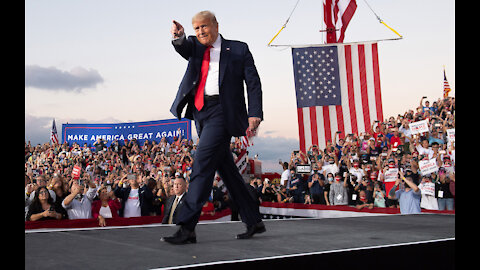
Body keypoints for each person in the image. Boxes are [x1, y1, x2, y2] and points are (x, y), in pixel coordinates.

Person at [162, 10, 264, 244]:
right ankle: (254, 219)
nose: (200, 32)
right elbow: (183, 48)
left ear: (215, 25)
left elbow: (253, 82)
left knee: (202, 162)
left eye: (204, 27)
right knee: (226, 168)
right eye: (196, 29)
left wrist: (255, 113)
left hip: (223, 111)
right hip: (201, 111)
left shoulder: (238, 49)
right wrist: (179, 37)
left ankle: (187, 226)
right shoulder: (194, 46)